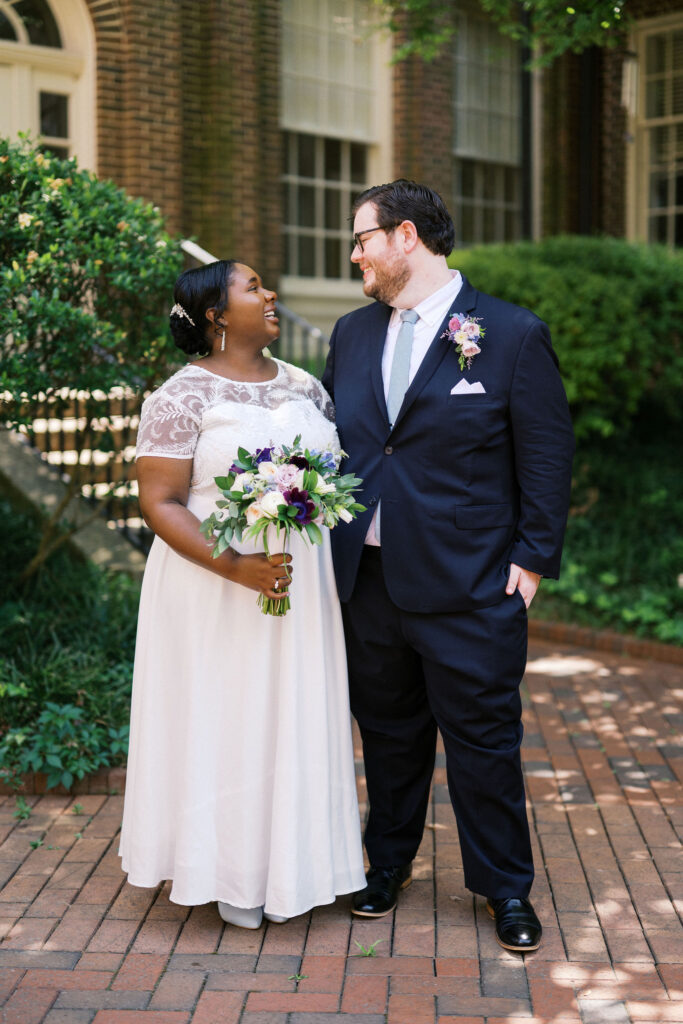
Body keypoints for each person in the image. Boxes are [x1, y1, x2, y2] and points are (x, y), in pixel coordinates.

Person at [322, 180, 574, 952]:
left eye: (362, 238)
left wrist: (530, 562)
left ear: (405, 236)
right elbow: (349, 443)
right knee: (389, 736)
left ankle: (504, 888)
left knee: (483, 744)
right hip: (367, 583)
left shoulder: (508, 333)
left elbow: (545, 454)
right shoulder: (350, 333)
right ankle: (385, 866)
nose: (354, 254)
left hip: (471, 584)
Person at [119, 260, 366, 928]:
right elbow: (160, 502)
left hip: (298, 588)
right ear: (216, 315)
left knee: (291, 715)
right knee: (225, 719)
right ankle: (221, 868)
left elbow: (330, 485)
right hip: (214, 592)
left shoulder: (309, 389)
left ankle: (298, 865)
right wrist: (234, 567)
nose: (270, 294)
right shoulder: (181, 395)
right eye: (252, 287)